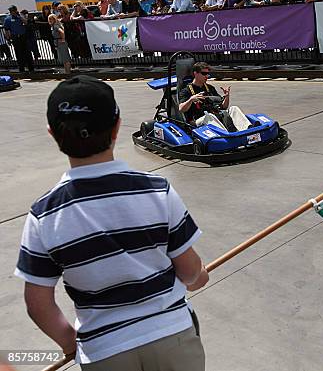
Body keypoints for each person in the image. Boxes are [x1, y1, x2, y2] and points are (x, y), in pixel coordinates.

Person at [15, 75, 208, 370]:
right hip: (172, 336)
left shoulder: (44, 214)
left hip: (104, 352)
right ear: (117, 127)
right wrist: (199, 277)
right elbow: (191, 271)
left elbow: (38, 303)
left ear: (52, 133)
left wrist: (71, 343)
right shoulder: (156, 190)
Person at [178, 62, 252, 132]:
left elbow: (223, 107)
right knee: (209, 116)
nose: (207, 76)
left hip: (215, 116)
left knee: (234, 108)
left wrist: (226, 96)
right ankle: (226, 135)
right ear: (195, 73)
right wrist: (191, 100)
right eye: (204, 74)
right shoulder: (186, 91)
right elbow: (181, 109)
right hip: (197, 121)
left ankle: (247, 130)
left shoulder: (210, 88)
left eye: (207, 74)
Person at [3, 5, 34, 73]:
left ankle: (31, 68)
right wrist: (8, 39)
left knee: (27, 53)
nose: (12, 12)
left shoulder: (20, 17)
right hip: (15, 38)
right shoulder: (8, 19)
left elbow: (26, 22)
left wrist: (19, 16)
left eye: (13, 11)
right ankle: (21, 69)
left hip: (23, 37)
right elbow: (6, 29)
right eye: (11, 11)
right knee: (19, 54)